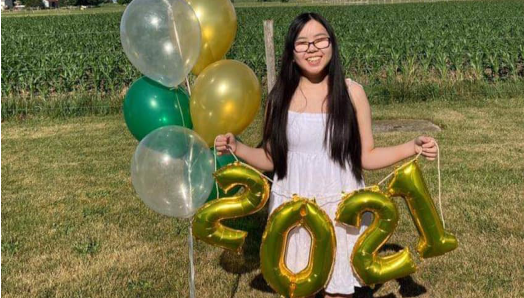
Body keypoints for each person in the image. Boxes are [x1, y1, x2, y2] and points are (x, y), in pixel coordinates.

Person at [215, 12, 437, 298]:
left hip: (339, 206)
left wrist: (413, 146)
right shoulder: (278, 97)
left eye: (320, 40)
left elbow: (366, 157)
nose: (312, 49)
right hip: (293, 210)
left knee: (338, 291)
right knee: (299, 287)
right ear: (291, 52)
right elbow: (271, 159)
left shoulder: (352, 93)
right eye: (302, 42)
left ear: (332, 45)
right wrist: (237, 148)